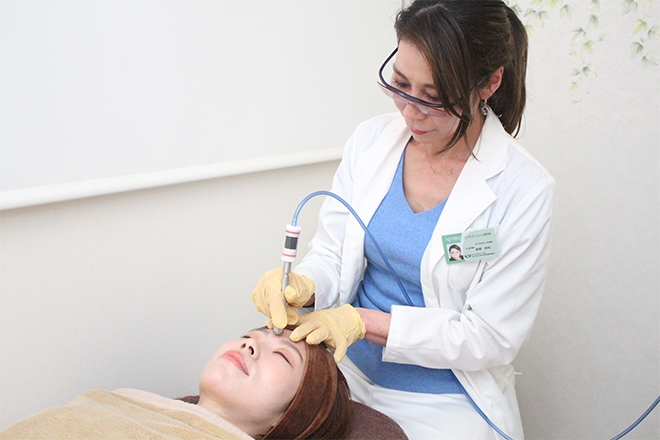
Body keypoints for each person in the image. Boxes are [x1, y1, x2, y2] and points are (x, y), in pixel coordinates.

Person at [252, 1, 554, 438]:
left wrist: (362, 322)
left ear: (490, 83)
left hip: (444, 396)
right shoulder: (370, 142)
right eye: (400, 84)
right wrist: (306, 284)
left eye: (434, 98)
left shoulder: (524, 189)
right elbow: (333, 253)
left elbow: (489, 337)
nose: (410, 111)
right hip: (345, 369)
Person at [0, 328, 352, 439]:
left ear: (290, 418)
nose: (249, 345)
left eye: (282, 356)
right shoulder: (122, 399)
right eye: (249, 336)